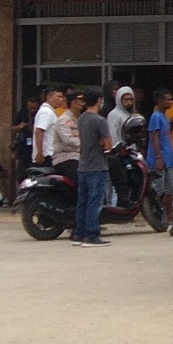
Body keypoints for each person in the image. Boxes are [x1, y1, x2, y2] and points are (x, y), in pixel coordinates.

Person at [74, 88, 114, 247]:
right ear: (99, 100)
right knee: (95, 202)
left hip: (83, 165)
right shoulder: (100, 121)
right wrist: (103, 143)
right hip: (97, 165)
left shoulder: (81, 118)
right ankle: (92, 234)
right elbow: (109, 146)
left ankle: (79, 233)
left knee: (82, 201)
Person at [145, 89, 173, 226]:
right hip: (159, 159)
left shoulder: (165, 117)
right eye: (167, 99)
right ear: (160, 101)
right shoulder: (156, 117)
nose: (170, 102)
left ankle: (169, 215)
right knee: (158, 190)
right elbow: (154, 137)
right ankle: (157, 215)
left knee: (170, 190)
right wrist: (158, 157)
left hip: (168, 159)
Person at [33, 86, 64, 167]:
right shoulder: (46, 111)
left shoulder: (50, 111)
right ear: (49, 97)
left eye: (62, 97)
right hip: (47, 155)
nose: (61, 100)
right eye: (58, 97)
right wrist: (40, 153)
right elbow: (39, 131)